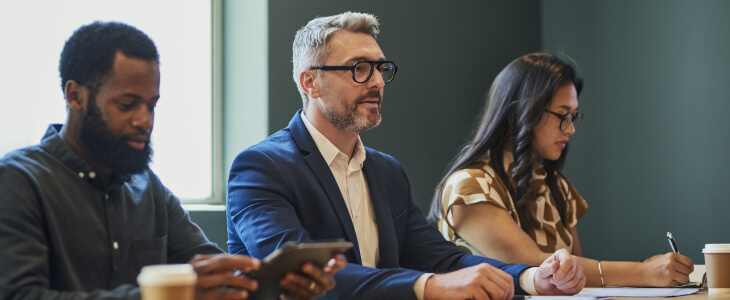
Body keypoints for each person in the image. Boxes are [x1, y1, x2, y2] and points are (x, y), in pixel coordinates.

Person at [227, 12, 585, 300]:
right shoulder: (261, 167)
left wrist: (532, 278)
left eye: (381, 68)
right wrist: (427, 287)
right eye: (359, 68)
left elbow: (444, 259)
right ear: (310, 83)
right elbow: (301, 274)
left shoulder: (386, 171)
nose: (378, 82)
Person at [0, 21, 345, 300]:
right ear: (75, 96)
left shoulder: (145, 186)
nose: (144, 121)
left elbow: (217, 276)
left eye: (151, 105)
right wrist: (163, 294)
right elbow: (19, 294)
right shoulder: (18, 180)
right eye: (127, 104)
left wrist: (280, 287)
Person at [428, 52, 694, 288]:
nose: (570, 128)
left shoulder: (554, 184)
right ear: (524, 111)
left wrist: (646, 270)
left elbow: (577, 272)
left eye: (574, 115)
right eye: (562, 115)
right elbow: (542, 270)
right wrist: (642, 272)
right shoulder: (469, 186)